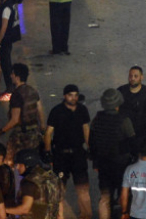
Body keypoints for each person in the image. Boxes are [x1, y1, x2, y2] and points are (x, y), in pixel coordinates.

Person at [43, 84, 91, 219]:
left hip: (77, 154)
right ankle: (59, 216)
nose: (74, 98)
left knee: (83, 190)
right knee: (59, 191)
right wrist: (47, 152)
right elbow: (48, 133)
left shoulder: (82, 110)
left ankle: (86, 216)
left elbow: (86, 130)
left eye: (76, 95)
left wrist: (90, 147)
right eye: (70, 95)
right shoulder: (56, 111)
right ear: (65, 96)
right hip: (61, 156)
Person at [89, 88, 135, 219]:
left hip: (103, 163)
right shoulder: (124, 120)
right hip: (121, 164)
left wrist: (95, 161)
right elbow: (132, 142)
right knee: (123, 194)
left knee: (105, 197)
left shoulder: (97, 119)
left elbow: (92, 142)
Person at [0, 64, 45, 163]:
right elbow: (40, 112)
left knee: (8, 162)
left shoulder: (17, 95)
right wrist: (42, 129)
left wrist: (1, 131)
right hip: (34, 134)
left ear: (17, 77)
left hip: (21, 136)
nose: (10, 76)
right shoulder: (33, 91)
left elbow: (15, 120)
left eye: (12, 74)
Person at [5, 148, 64, 219]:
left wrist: (4, 210)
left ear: (28, 165)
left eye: (20, 164)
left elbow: (25, 209)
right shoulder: (53, 179)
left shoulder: (29, 182)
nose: (17, 168)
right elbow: (60, 209)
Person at [0, 0, 22, 94]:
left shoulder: (6, 8)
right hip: (9, 38)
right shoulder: (10, 3)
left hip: (5, 40)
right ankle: (10, 86)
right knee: (6, 62)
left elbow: (3, 27)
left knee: (5, 63)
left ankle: (10, 87)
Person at [118, 66, 146, 139]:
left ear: (141, 77)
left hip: (140, 135)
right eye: (130, 76)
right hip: (123, 135)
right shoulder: (121, 91)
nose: (132, 78)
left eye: (136, 76)